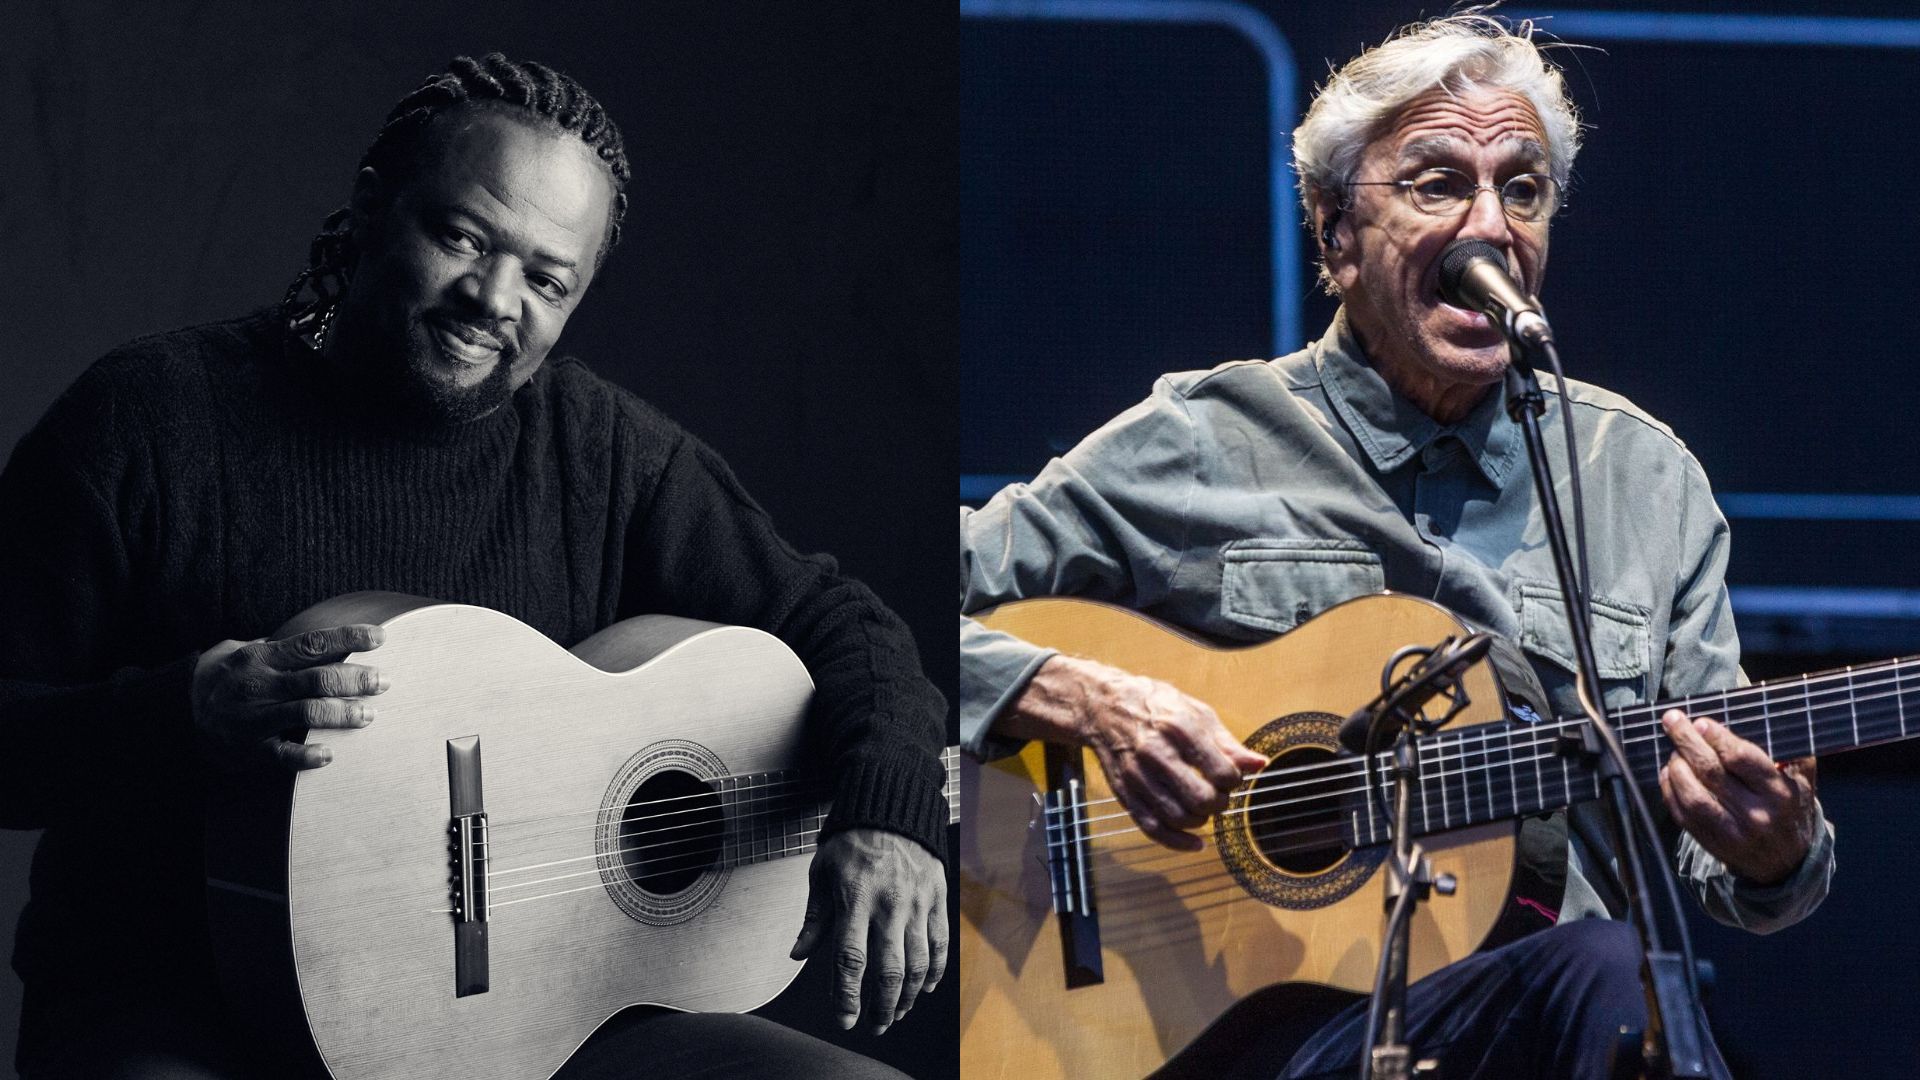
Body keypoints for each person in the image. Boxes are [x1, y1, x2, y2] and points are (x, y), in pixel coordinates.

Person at [0, 53, 947, 1080]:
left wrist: (888, 817)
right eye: (462, 237)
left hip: (529, 1029)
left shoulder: (601, 451)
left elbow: (845, 625)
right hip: (183, 1009)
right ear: (372, 209)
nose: (495, 299)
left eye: (548, 278)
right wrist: (179, 713)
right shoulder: (149, 418)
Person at [959, 13, 1833, 1079]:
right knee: (1608, 974)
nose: (1490, 225)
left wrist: (1772, 849)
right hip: (1251, 1035)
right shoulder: (1202, 441)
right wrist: (1081, 700)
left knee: (1619, 975)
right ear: (1334, 233)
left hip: (1538, 1016)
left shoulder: (1647, 485)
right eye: (1435, 184)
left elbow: (1721, 851)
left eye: (1522, 189)